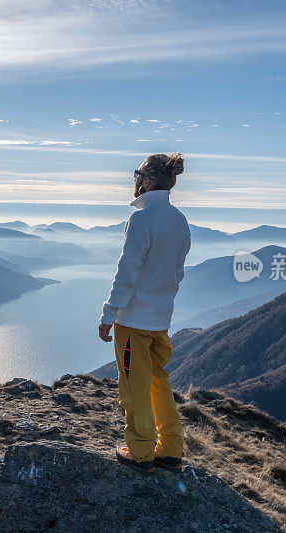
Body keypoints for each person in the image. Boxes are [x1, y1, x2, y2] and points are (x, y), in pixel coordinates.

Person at [98, 152, 191, 474]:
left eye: (136, 175)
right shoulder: (178, 220)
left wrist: (109, 314)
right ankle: (171, 449)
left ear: (146, 181)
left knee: (133, 387)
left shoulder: (141, 219)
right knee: (158, 383)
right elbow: (177, 273)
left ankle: (140, 452)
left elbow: (128, 271)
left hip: (133, 321)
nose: (133, 180)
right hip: (161, 320)